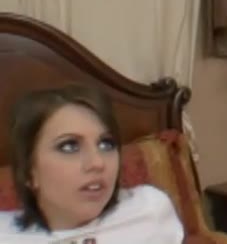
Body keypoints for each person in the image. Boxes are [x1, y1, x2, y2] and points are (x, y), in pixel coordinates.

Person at [0, 84, 185, 243]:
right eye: (69, 146)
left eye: (106, 144)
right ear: (28, 172)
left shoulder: (148, 210)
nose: (97, 162)